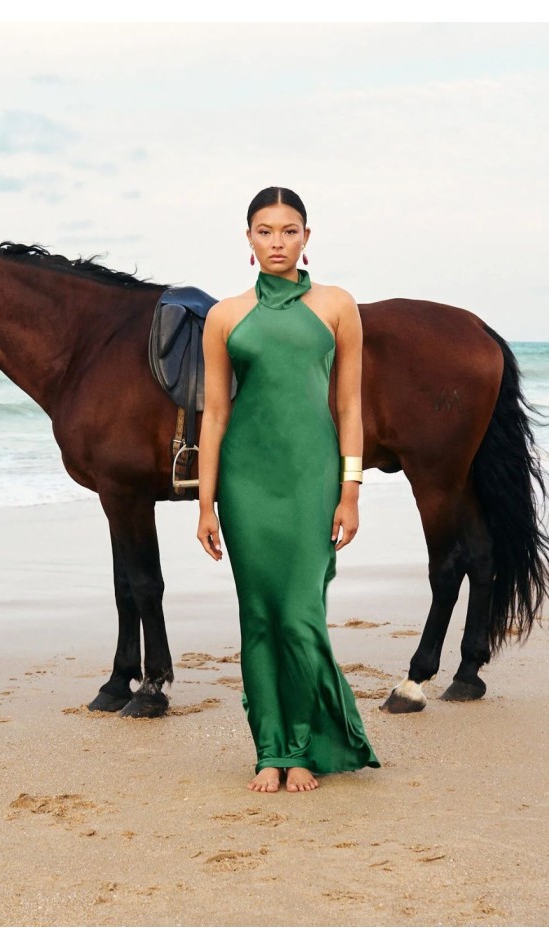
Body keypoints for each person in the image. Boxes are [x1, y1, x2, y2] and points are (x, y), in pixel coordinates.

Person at [197, 186, 380, 793]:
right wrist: (205, 502)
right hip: (245, 482)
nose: (277, 242)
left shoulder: (337, 305)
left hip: (312, 478)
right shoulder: (225, 316)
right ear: (248, 239)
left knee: (301, 616)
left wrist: (350, 490)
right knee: (258, 617)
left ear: (307, 236)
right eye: (265, 231)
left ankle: (300, 748)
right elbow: (215, 416)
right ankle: (269, 751)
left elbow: (349, 406)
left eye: (289, 230)